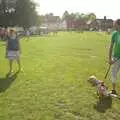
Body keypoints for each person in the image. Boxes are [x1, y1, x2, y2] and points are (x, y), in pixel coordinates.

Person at [109, 19, 120, 94]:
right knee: (113, 73)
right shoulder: (114, 34)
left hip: (118, 58)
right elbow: (111, 46)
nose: (114, 25)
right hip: (115, 57)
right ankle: (113, 90)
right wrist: (110, 59)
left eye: (115, 24)